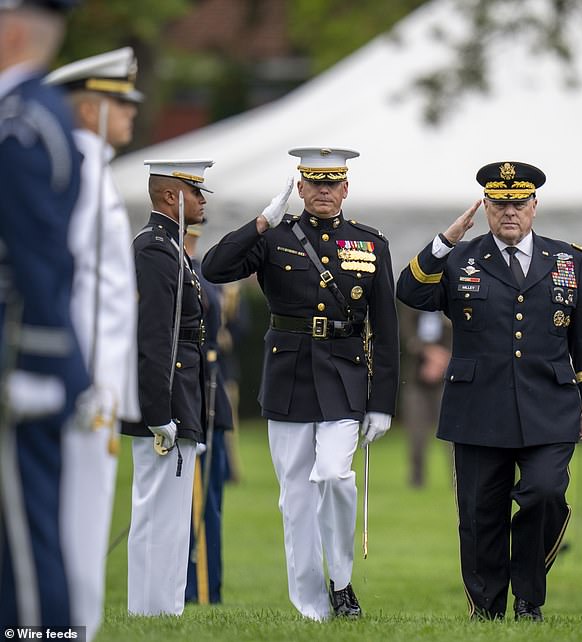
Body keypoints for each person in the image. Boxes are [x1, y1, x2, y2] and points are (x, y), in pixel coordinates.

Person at [396, 160, 582, 621]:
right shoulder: (459, 257)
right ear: (485, 206)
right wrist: (445, 239)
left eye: (518, 203)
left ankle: (528, 596)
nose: (509, 211)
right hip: (478, 405)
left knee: (545, 494)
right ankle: (486, 607)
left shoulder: (568, 259)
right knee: (480, 511)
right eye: (499, 203)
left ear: (535, 206)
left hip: (549, 404)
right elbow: (409, 291)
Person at [202, 147, 399, 620]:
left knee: (334, 475)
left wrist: (383, 402)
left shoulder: (370, 244)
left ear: (346, 189)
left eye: (333, 184)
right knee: (296, 497)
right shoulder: (276, 238)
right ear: (301, 188)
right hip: (288, 375)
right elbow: (214, 267)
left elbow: (387, 329)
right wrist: (260, 223)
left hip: (344, 374)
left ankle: (342, 581)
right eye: (315, 183)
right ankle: (312, 606)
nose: (325, 192)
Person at [44, 46, 141, 636]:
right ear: (88, 109)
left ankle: (71, 628)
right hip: (81, 380)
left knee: (84, 523)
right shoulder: (78, 172)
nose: (132, 111)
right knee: (73, 525)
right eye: (119, 101)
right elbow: (62, 275)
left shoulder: (94, 171)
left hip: (98, 382)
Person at [0, 0, 88, 628]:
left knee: (25, 553)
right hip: (25, 353)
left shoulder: (22, 124)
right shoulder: (32, 117)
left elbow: (39, 254)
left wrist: (38, 355)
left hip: (20, 357)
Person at [123, 159, 212, 616]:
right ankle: (154, 609)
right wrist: (159, 410)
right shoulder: (156, 250)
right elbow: (155, 337)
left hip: (180, 393)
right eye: (196, 192)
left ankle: (160, 608)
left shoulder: (171, 247)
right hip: (168, 398)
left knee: (170, 515)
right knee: (160, 511)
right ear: (170, 196)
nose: (202, 201)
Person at [183, 224, 233, 605]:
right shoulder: (182, 270)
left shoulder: (196, 273)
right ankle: (198, 590)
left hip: (205, 392)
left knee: (206, 502)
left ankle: (203, 590)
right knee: (196, 502)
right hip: (193, 392)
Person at [398, 304, 450, 488]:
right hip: (415, 378)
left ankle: (457, 477)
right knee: (416, 431)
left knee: (452, 433)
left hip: (447, 379)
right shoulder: (410, 304)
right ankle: (416, 479)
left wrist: (442, 361)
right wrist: (429, 354)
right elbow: (406, 334)